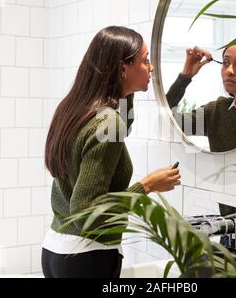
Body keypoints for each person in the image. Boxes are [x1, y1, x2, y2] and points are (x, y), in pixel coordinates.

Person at [41, 26, 181, 278]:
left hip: (56, 250)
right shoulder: (107, 121)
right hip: (88, 258)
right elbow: (86, 213)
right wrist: (147, 186)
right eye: (145, 60)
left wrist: (126, 90)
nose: (150, 68)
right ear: (123, 68)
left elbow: (119, 129)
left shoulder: (74, 108)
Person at [166, 39, 236, 152]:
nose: (229, 71)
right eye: (226, 63)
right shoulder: (216, 110)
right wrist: (186, 75)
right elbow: (165, 123)